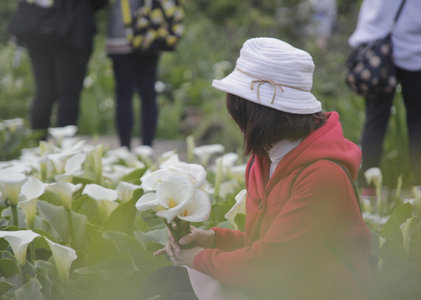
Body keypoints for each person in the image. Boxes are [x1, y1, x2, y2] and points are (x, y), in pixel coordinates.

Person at [148, 37, 374, 300]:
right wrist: (212, 239)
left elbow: (270, 264)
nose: (233, 115)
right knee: (163, 282)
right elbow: (267, 245)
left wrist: (200, 259)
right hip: (283, 281)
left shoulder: (322, 175)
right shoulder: (264, 158)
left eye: (238, 106)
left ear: (258, 113)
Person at [348, 0, 421, 198]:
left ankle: (367, 185)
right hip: (420, 46)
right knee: (420, 119)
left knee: (375, 118)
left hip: (380, 42)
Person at [8, 0, 107, 137]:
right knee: (68, 93)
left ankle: (37, 145)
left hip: (38, 29)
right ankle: (63, 147)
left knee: (44, 91)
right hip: (71, 33)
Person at [106, 0, 161, 148]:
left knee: (124, 94)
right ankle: (147, 148)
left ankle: (125, 149)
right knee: (148, 94)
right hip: (150, 35)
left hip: (121, 36)